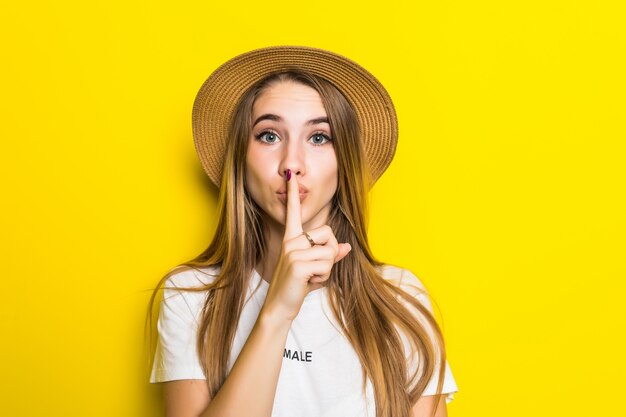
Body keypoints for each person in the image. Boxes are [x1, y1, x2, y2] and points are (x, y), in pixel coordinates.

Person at [147, 46, 459, 417]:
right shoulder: (190, 297)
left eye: (318, 138)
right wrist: (278, 309)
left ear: (345, 163)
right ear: (241, 162)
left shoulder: (401, 299)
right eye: (268, 136)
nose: (291, 164)